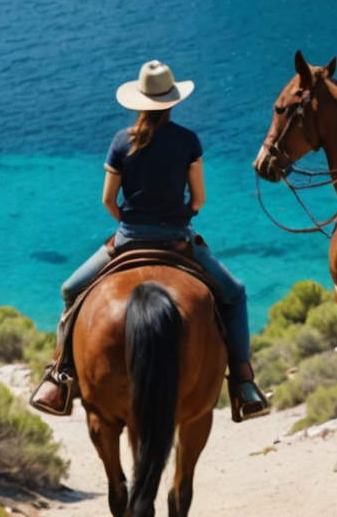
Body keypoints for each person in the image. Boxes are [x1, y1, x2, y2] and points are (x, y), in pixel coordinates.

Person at [29, 60, 270, 420]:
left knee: (70, 290)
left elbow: (108, 200)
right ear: (172, 101)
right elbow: (199, 200)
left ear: (139, 101)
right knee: (234, 294)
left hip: (127, 240)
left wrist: (129, 224)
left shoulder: (120, 142)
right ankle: (243, 382)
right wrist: (181, 215)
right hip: (178, 239)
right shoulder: (188, 140)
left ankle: (58, 377)